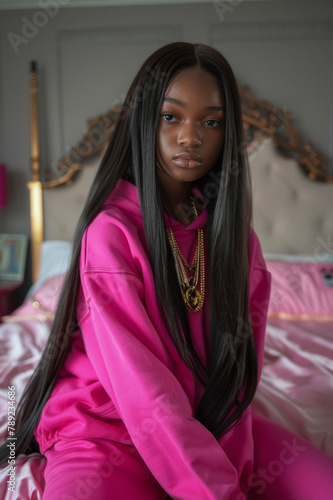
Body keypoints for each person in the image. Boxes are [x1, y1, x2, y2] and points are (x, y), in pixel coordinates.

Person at [1, 42, 332, 499]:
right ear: (143, 120)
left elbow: (237, 372)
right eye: (170, 116)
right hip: (106, 432)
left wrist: (229, 463)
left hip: (205, 423)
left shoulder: (234, 238)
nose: (190, 137)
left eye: (211, 121)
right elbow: (142, 390)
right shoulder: (111, 233)